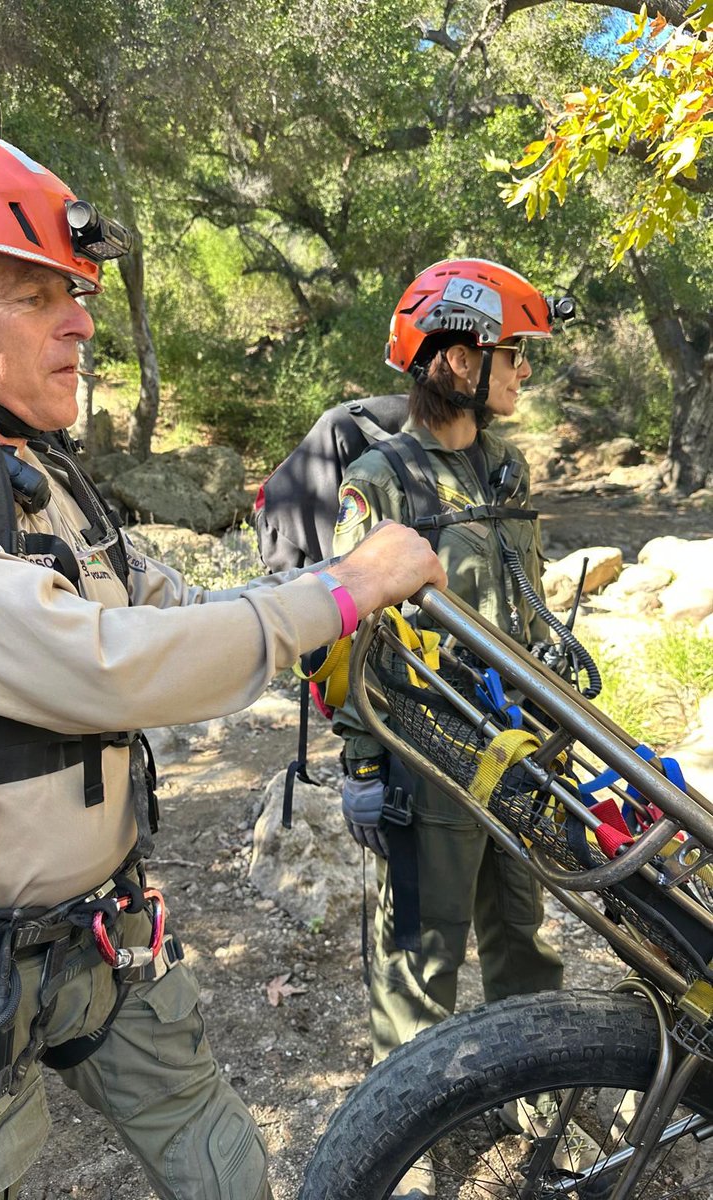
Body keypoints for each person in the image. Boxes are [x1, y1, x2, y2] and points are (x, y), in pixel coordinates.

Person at [0, 127, 446, 1200]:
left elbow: (180, 612)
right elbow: (98, 665)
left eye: (79, 289)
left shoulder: (40, 481)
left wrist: (327, 629)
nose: (83, 319)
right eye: (38, 293)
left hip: (106, 942)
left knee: (227, 1168)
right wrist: (342, 586)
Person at [332, 259, 566, 1077]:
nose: (525, 370)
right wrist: (362, 761)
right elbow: (346, 631)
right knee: (421, 958)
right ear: (461, 359)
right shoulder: (380, 482)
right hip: (430, 755)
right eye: (514, 352)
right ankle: (404, 1142)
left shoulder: (507, 470)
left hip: (520, 746)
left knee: (522, 936)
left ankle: (544, 1096)